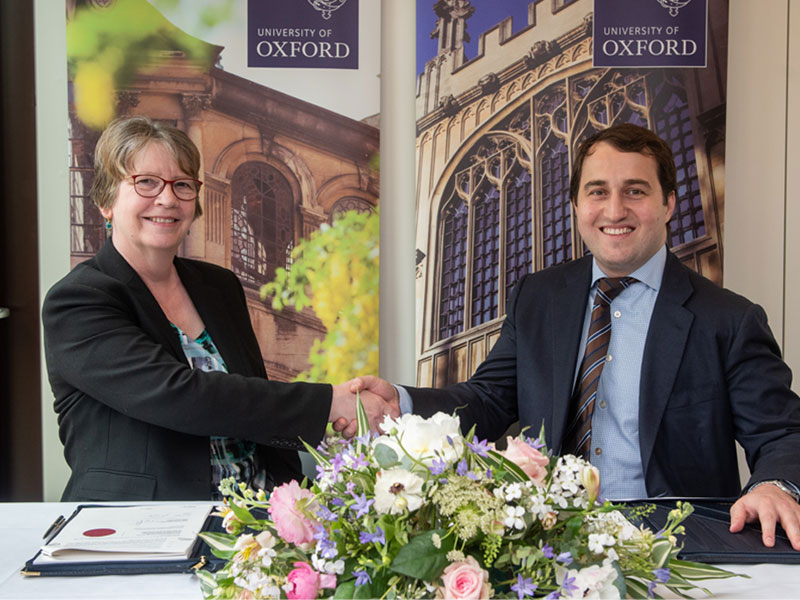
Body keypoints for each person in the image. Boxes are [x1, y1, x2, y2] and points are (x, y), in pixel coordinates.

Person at [354, 123, 800, 550]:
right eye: (597, 191)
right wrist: (403, 404)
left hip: (676, 549)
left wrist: (774, 486)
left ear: (668, 204)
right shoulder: (538, 298)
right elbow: (488, 401)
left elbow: (782, 433)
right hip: (548, 542)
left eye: (635, 191)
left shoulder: (729, 319)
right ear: (575, 205)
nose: (614, 210)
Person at [43, 116, 396, 501]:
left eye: (182, 185)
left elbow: (251, 394)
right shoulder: (78, 300)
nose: (167, 198)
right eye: (145, 182)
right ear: (106, 201)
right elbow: (182, 396)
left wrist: (293, 499)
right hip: (142, 529)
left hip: (258, 519)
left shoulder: (218, 286)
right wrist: (330, 402)